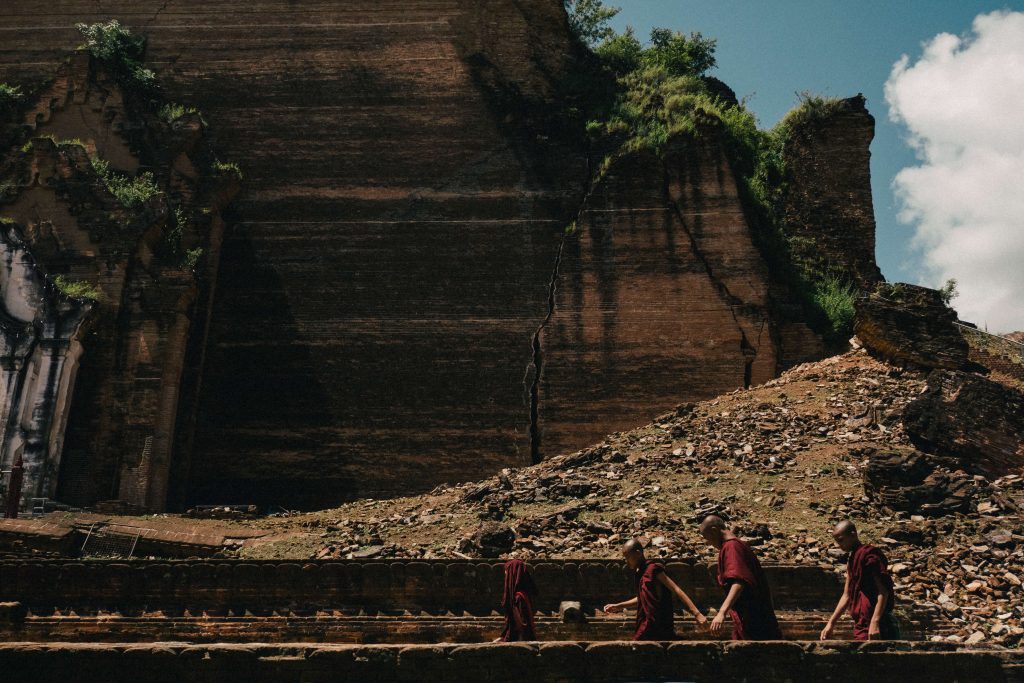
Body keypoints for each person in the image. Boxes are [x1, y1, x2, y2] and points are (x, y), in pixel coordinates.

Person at [603, 538, 707, 640]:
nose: (626, 562)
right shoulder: (640, 572)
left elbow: (676, 589)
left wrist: (697, 614)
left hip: (658, 623)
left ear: (638, 554)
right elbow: (643, 598)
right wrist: (618, 606)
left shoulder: (653, 569)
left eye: (628, 557)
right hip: (646, 624)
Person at [699, 515, 783, 640]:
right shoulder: (738, 545)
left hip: (753, 618)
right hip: (757, 615)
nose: (708, 542)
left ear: (714, 530)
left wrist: (721, 613)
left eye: (707, 538)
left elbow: (739, 581)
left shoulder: (732, 547)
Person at [820, 520, 899, 641]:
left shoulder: (869, 555)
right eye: (837, 541)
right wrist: (831, 623)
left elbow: (883, 592)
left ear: (853, 534)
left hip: (878, 622)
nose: (839, 545)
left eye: (841, 540)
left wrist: (874, 622)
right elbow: (846, 595)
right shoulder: (852, 559)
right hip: (862, 622)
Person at [498, 559, 538, 641]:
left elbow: (522, 628)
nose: (506, 575)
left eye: (507, 572)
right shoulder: (519, 596)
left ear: (513, 574)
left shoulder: (519, 598)